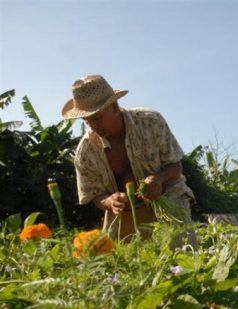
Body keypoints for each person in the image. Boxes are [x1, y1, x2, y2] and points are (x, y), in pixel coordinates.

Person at [62, 74, 197, 245]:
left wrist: (159, 179)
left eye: (97, 118)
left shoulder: (150, 122)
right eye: (87, 121)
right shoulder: (86, 151)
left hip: (167, 197)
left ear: (114, 106)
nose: (94, 127)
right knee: (117, 264)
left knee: (182, 253)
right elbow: (94, 195)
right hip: (123, 212)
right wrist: (109, 201)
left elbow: (175, 166)